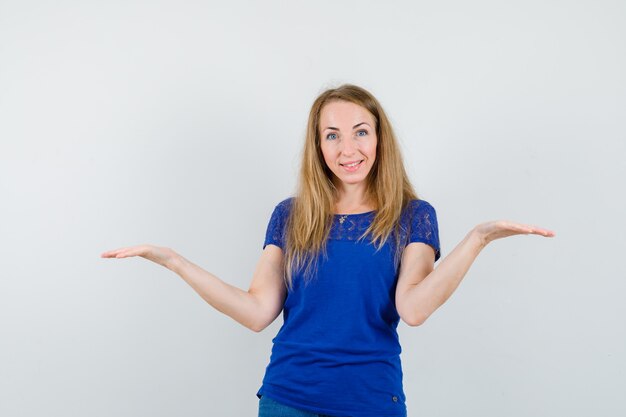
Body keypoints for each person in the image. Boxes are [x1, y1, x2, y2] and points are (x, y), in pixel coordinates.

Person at [101, 84, 555, 417]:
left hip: (370, 400)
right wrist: (175, 262)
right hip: (288, 398)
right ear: (318, 146)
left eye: (360, 132)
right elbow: (258, 310)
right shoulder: (290, 215)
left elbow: (413, 308)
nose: (348, 148)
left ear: (379, 139)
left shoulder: (412, 215)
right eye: (332, 135)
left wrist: (477, 239)